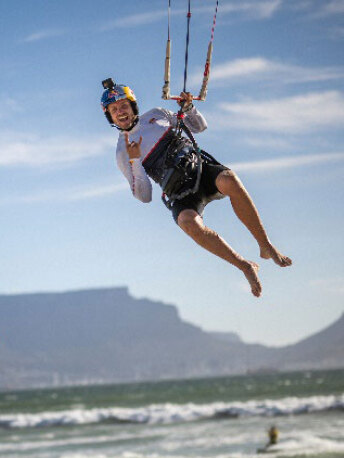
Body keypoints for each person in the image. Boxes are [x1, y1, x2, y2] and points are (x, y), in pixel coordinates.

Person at [100, 79, 291, 297]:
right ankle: (245, 266)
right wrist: (135, 162)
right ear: (110, 116)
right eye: (114, 110)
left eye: (123, 105)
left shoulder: (157, 115)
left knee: (229, 179)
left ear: (132, 105)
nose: (120, 112)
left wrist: (189, 108)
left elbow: (199, 127)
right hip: (179, 192)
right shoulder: (122, 153)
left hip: (200, 171)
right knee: (187, 223)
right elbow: (144, 196)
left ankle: (265, 245)